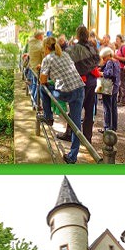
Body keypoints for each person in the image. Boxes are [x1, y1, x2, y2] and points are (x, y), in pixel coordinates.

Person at [40, 36, 86, 164]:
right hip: (79, 88)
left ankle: (48, 116)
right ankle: (72, 156)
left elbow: (43, 81)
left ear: (45, 47)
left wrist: (43, 72)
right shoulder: (65, 54)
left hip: (66, 92)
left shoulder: (47, 59)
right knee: (76, 123)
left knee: (42, 89)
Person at [66, 26, 101, 146]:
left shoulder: (75, 49)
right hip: (92, 81)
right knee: (89, 110)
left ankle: (70, 134)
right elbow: (97, 61)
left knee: (75, 109)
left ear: (77, 35)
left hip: (81, 81)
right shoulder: (92, 46)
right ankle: (87, 138)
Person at [98, 47, 120, 132]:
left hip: (108, 87)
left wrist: (101, 73)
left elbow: (109, 73)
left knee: (107, 107)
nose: (103, 59)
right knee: (114, 108)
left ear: (108, 55)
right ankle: (113, 127)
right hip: (115, 87)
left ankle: (107, 128)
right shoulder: (116, 62)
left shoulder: (109, 62)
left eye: (104, 57)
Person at [113, 34, 125, 106]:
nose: (116, 40)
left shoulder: (124, 47)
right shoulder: (120, 47)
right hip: (118, 67)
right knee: (119, 84)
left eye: (117, 39)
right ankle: (120, 99)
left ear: (121, 39)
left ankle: (123, 101)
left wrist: (116, 57)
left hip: (122, 68)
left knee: (122, 84)